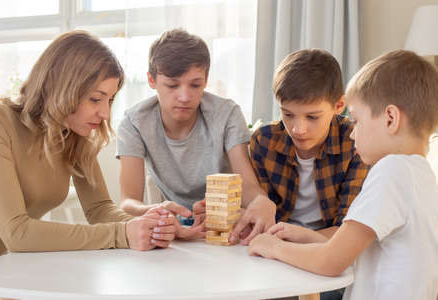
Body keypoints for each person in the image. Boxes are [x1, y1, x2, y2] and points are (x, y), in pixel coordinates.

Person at [248, 50, 438, 300]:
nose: (351, 133)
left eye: (357, 121)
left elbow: (331, 262)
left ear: (390, 119)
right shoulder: (422, 175)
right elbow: (357, 249)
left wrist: (273, 247)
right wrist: (307, 236)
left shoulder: (392, 171)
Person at [0, 30, 178, 262]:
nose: (106, 113)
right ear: (62, 88)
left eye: (110, 100)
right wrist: (122, 234)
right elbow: (17, 233)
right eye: (95, 99)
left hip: (0, 267)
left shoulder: (73, 135)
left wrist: (151, 226)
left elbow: (99, 208)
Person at [116, 29, 276, 244]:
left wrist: (260, 201)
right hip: (178, 230)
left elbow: (245, 184)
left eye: (195, 85)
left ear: (206, 80)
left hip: (227, 228)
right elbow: (128, 201)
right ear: (151, 80)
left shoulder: (226, 113)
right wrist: (157, 211)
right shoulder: (135, 121)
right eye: (172, 85)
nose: (184, 97)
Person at [250, 49, 369, 241]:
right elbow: (262, 218)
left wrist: (292, 241)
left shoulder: (355, 142)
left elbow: (347, 230)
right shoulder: (264, 141)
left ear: (339, 106)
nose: (298, 129)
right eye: (288, 114)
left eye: (312, 117)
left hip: (326, 247)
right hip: (275, 245)